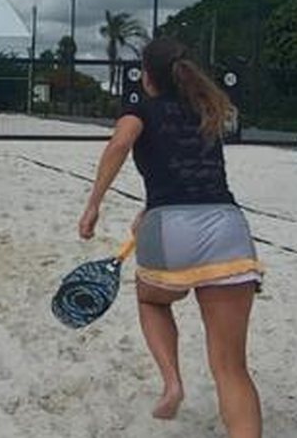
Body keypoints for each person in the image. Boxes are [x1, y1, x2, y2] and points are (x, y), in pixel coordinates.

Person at [78, 37, 263, 438]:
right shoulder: (206, 108)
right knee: (232, 369)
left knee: (150, 299)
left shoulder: (140, 107)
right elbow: (191, 171)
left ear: (147, 76)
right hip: (228, 227)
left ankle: (172, 382)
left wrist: (93, 204)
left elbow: (120, 144)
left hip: (171, 229)